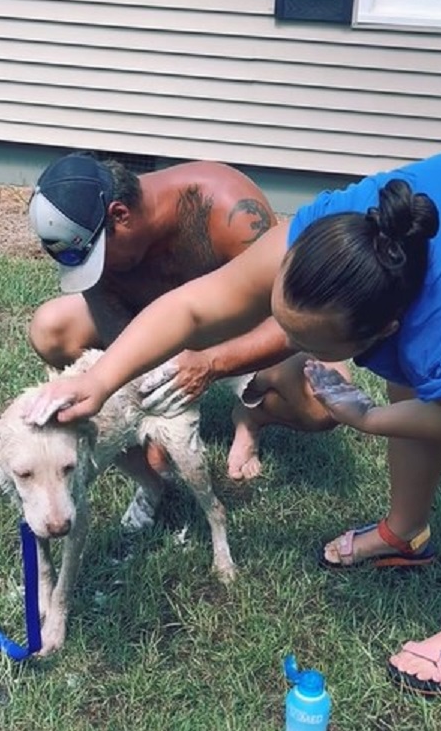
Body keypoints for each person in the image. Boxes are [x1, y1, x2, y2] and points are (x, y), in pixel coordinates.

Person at [24, 124, 441, 697]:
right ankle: (405, 531)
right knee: (413, 380)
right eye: (281, 317)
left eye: (306, 339)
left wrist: (364, 419)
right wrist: (101, 376)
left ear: (384, 330)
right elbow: (193, 308)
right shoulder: (325, 232)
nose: (288, 342)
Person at [28, 151, 349, 483]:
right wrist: (150, 415)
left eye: (97, 259)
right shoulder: (99, 238)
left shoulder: (225, 208)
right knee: (50, 327)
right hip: (152, 331)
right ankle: (143, 457)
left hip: (240, 331)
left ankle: (251, 417)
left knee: (324, 403)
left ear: (120, 215)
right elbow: (117, 333)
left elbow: (293, 319)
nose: (98, 271)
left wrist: (212, 363)